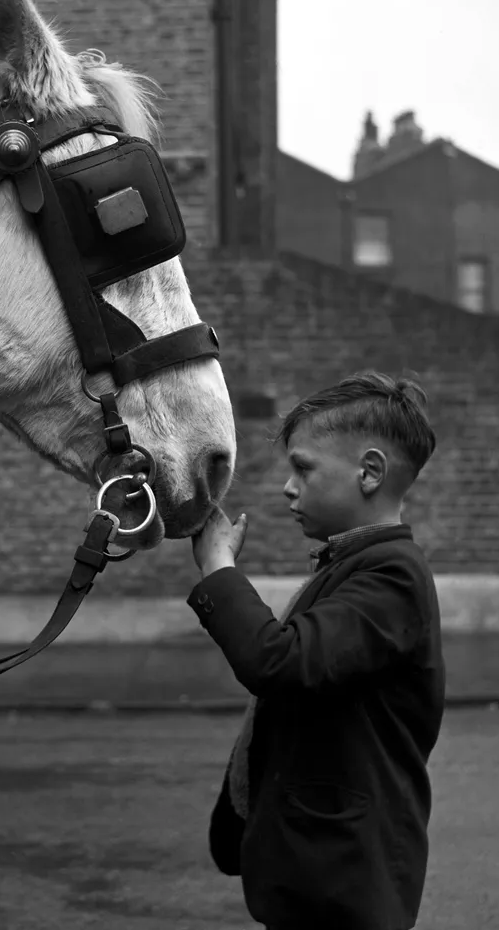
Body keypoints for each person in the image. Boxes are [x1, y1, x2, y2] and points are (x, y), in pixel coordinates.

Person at [188, 371, 446, 930]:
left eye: (303, 468)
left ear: (370, 473)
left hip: (346, 888)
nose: (288, 486)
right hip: (316, 878)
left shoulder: (392, 577)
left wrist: (218, 569)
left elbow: (278, 662)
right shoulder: (355, 566)